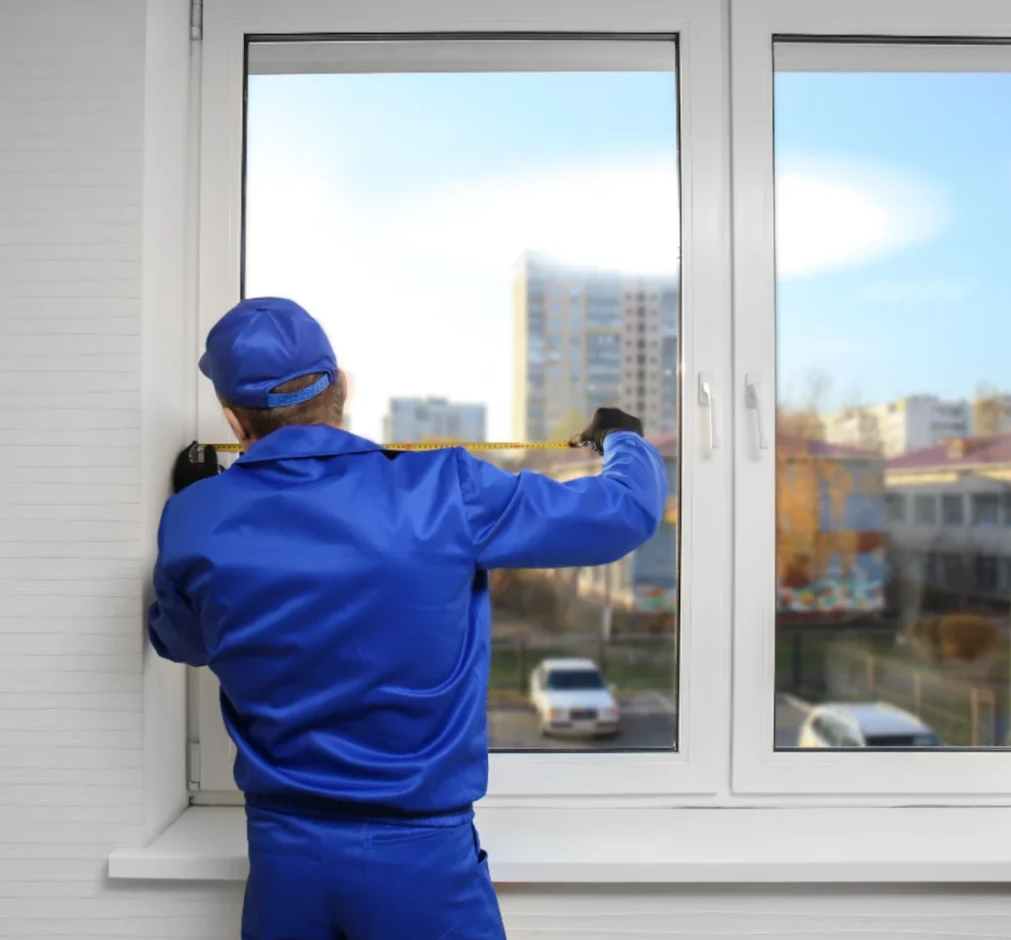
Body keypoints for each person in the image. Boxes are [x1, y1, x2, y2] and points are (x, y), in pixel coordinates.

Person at [148, 296, 669, 940]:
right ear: (340, 387)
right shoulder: (442, 488)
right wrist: (624, 439)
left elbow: (182, 641)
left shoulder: (196, 517)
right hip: (421, 864)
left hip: (284, 864)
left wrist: (200, 513)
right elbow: (622, 513)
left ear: (233, 417)